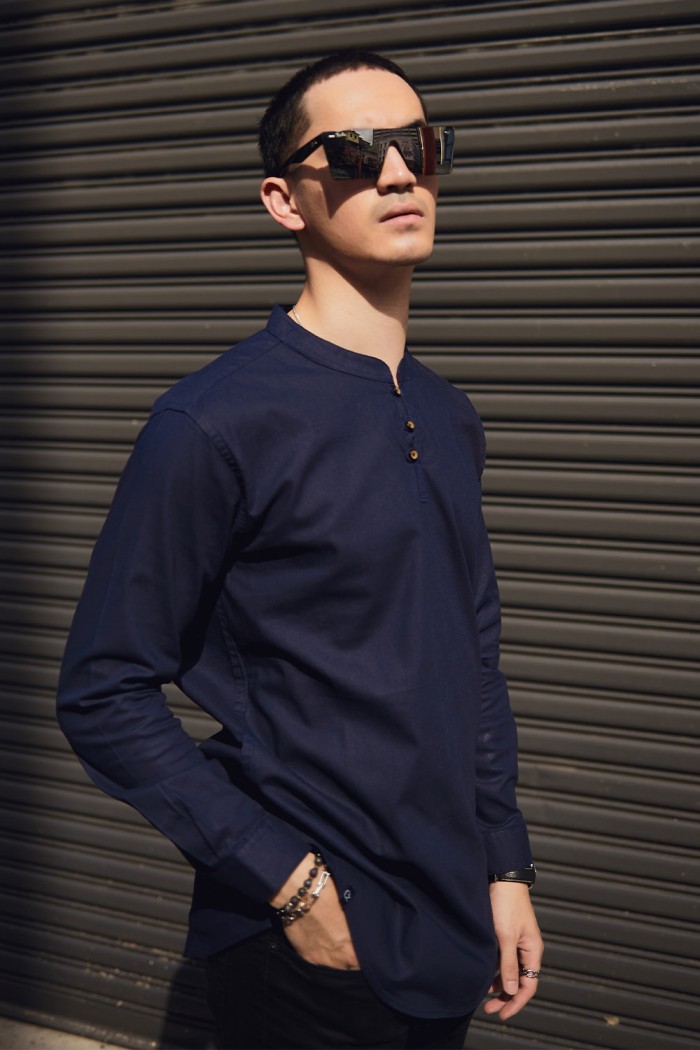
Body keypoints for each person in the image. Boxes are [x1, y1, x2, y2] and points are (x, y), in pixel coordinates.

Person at [57, 50, 543, 1050]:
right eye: (357, 152)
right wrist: (289, 883)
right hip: (304, 948)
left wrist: (505, 865)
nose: (399, 173)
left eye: (419, 146)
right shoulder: (214, 422)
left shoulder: (449, 416)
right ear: (285, 200)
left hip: (449, 921)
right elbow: (103, 689)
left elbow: (473, 657)